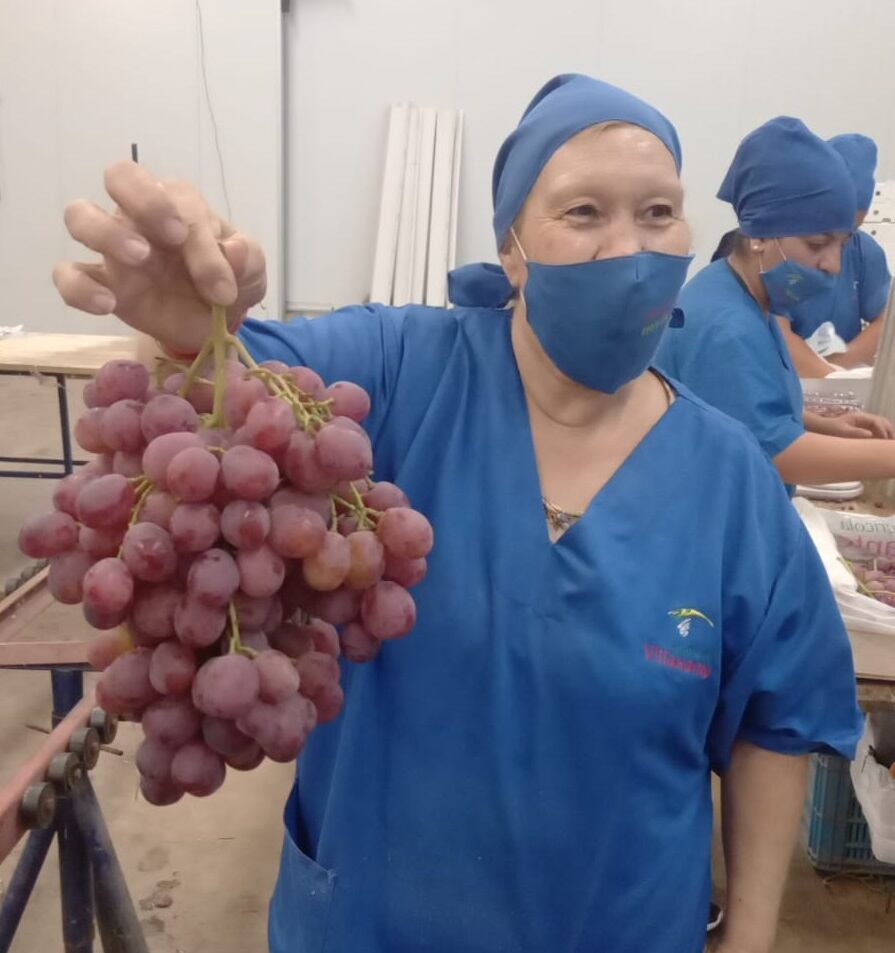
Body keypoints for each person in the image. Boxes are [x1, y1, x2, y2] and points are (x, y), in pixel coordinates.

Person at [53, 75, 863, 953]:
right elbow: (224, 391)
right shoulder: (400, 371)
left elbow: (770, 725)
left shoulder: (727, 478)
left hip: (616, 924)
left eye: (659, 211)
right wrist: (184, 320)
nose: (629, 247)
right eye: (583, 212)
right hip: (373, 923)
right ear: (511, 250)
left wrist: (747, 937)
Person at [657, 117, 895, 490]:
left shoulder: (749, 298)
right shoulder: (724, 323)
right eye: (818, 245)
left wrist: (824, 425)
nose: (832, 265)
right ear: (760, 236)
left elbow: (739, 406)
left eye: (842, 245)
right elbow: (778, 455)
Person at [786, 134, 891, 369]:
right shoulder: (776, 250)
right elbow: (774, 330)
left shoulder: (864, 251)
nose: (834, 264)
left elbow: (886, 322)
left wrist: (840, 368)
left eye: (848, 235)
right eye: (821, 240)